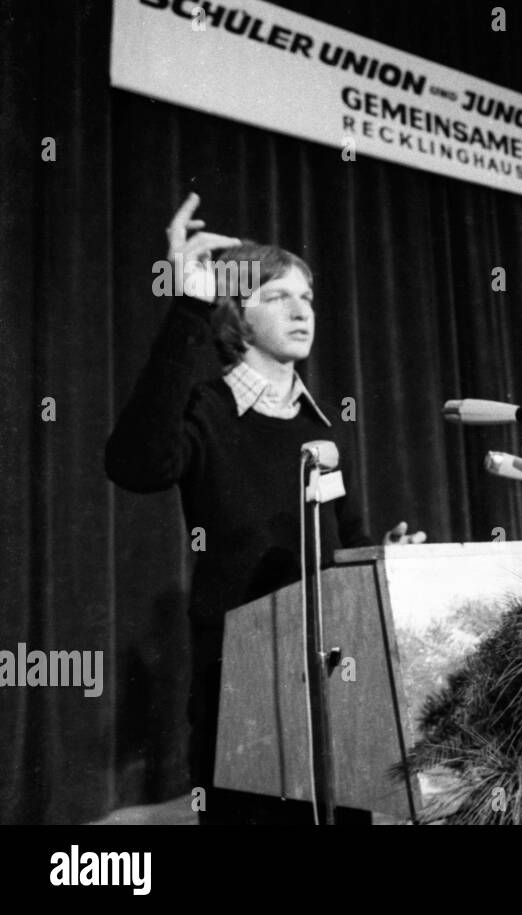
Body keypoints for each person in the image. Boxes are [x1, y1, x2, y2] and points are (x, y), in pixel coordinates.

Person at [106, 194, 426, 823]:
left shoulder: (324, 425)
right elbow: (134, 465)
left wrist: (379, 555)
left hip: (336, 681)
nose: (302, 310)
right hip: (243, 683)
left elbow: (346, 536)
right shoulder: (207, 409)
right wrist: (191, 302)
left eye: (306, 297)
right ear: (236, 314)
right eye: (278, 296)